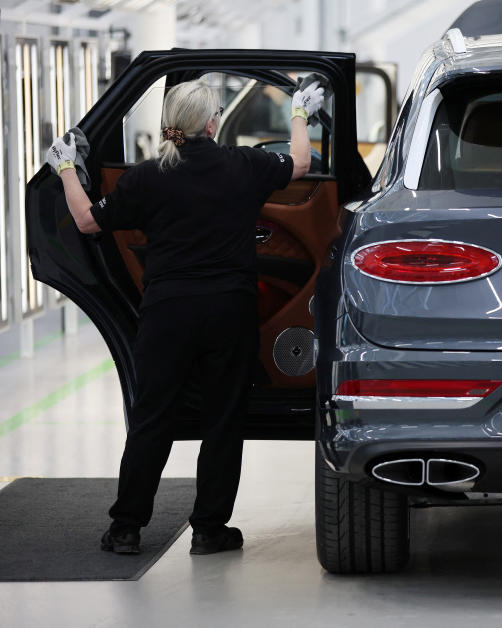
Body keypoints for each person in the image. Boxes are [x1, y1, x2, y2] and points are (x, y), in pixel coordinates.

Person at [45, 78, 326, 555]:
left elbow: (89, 221)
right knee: (223, 420)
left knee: (153, 417)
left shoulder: (147, 177)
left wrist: (68, 167)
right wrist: (298, 113)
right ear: (214, 122)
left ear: (170, 123)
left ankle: (126, 528)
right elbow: (301, 163)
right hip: (228, 312)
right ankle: (209, 530)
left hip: (167, 313)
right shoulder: (244, 165)